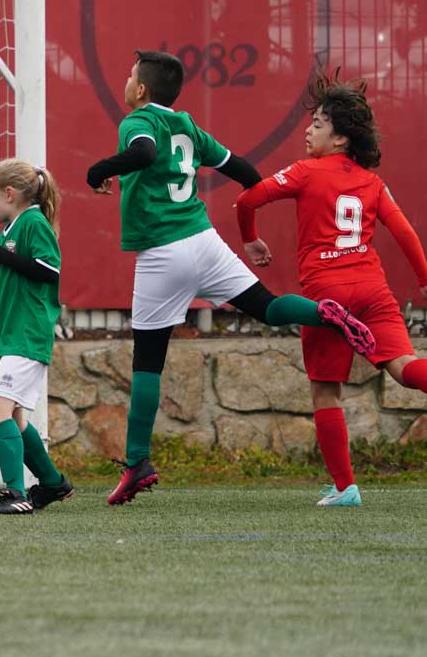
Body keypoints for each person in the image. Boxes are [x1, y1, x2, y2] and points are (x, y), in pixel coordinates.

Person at [87, 49, 374, 506]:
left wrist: (100, 170)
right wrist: (252, 233)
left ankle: (137, 461)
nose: (125, 81)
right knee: (268, 307)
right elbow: (242, 171)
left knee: (147, 358)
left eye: (128, 74)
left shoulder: (139, 120)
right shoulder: (187, 126)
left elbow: (141, 151)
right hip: (204, 241)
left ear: (141, 90)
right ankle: (323, 313)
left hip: (163, 253)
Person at [236, 72, 427, 507]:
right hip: (373, 289)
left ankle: (346, 488)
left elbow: (248, 200)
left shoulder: (306, 172)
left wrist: (251, 238)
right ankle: (344, 488)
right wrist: (425, 279)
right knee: (405, 368)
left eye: (319, 123)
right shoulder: (373, 183)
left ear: (340, 138)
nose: (308, 129)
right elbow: (404, 233)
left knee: (326, 391)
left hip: (328, 299)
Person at [0, 159, 71, 514]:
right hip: (12, 334)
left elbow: (48, 270)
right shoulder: (11, 228)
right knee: (17, 417)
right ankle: (53, 484)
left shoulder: (34, 223)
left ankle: (16, 494)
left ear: (9, 194)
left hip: (27, 334)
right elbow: (7, 276)